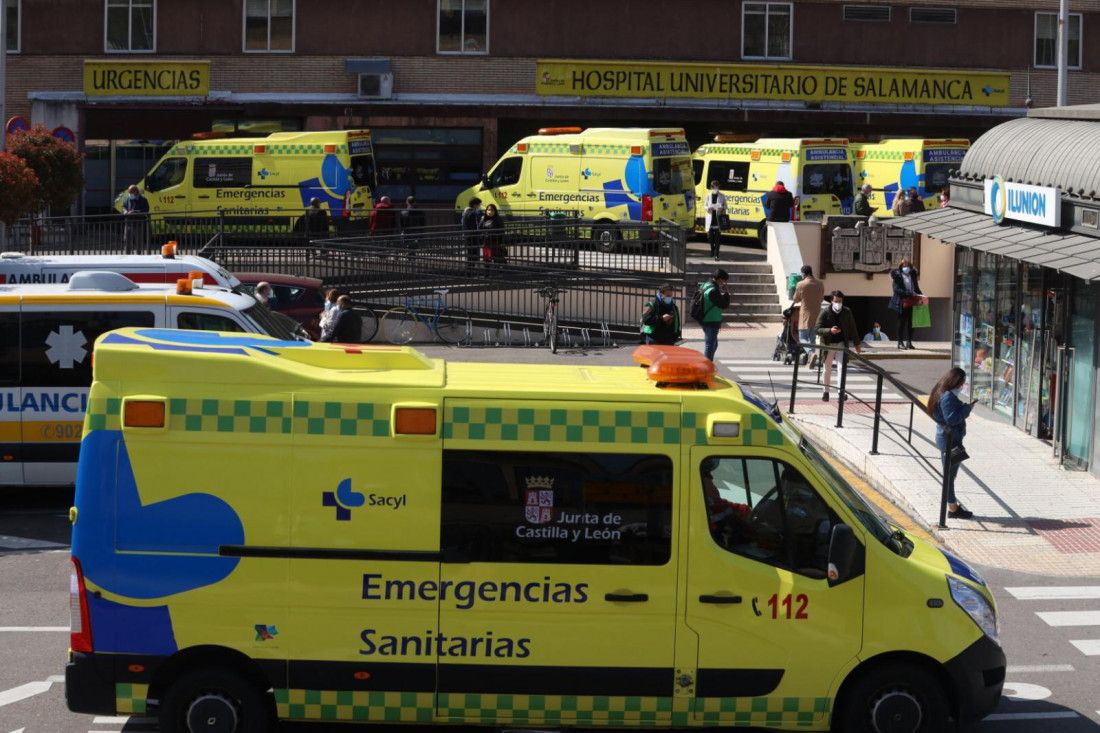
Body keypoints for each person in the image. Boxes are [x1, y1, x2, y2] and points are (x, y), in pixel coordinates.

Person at [927, 367, 975, 519]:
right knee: (949, 476)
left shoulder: (941, 391)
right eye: (961, 383)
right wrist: (967, 409)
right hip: (949, 441)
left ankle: (952, 507)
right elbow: (952, 418)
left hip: (950, 439)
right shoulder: (947, 396)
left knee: (950, 475)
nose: (962, 386)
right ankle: (952, 508)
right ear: (955, 381)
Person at [815, 290, 861, 402]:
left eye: (840, 301)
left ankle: (841, 392)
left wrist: (857, 344)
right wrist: (830, 330)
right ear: (831, 300)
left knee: (842, 368)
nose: (838, 303)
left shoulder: (847, 312)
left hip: (841, 343)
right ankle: (826, 392)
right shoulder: (825, 312)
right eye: (836, 301)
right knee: (827, 369)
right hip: (828, 344)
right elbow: (817, 329)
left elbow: (853, 328)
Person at [791, 264, 824, 365]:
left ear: (804, 273)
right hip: (817, 315)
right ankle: (812, 359)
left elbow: (796, 299)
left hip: (805, 315)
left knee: (803, 338)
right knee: (813, 338)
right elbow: (822, 298)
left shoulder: (801, 284)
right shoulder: (820, 283)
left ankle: (810, 353)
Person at [889, 258, 923, 349]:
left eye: (907, 265)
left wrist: (922, 295)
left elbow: (916, 288)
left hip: (912, 300)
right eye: (904, 265)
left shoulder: (912, 274)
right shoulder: (897, 275)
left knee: (912, 322)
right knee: (902, 322)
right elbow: (896, 289)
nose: (906, 266)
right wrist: (908, 293)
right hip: (901, 301)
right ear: (901, 266)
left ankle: (909, 342)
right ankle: (900, 342)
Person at [698, 269, 731, 362]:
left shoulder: (705, 285)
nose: (724, 283)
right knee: (710, 345)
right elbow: (724, 305)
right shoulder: (713, 290)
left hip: (704, 318)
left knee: (713, 344)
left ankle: (707, 364)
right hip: (711, 320)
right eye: (724, 281)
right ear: (719, 279)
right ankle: (707, 367)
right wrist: (727, 294)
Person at [703, 180, 728, 261]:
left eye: (717, 187)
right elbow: (705, 205)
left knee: (717, 238)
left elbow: (726, 206)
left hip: (718, 219)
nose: (715, 188)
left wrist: (721, 207)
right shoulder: (708, 195)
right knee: (710, 237)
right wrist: (708, 208)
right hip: (710, 218)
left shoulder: (722, 196)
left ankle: (717, 253)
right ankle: (712, 249)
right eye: (714, 187)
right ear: (711, 187)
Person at [121, 185, 150, 253]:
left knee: (138, 242)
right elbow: (124, 207)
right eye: (129, 193)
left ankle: (138, 255)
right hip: (128, 223)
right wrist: (126, 212)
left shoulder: (143, 200)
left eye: (131, 193)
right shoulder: (127, 198)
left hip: (138, 224)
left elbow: (146, 210)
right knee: (127, 241)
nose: (130, 194)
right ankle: (127, 255)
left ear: (136, 192)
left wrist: (135, 212)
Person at [461, 197, 483, 267]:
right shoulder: (472, 213)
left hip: (467, 235)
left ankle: (470, 270)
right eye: (479, 205)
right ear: (475, 205)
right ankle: (470, 271)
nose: (479, 206)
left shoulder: (465, 212)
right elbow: (474, 226)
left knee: (470, 254)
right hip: (472, 236)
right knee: (473, 254)